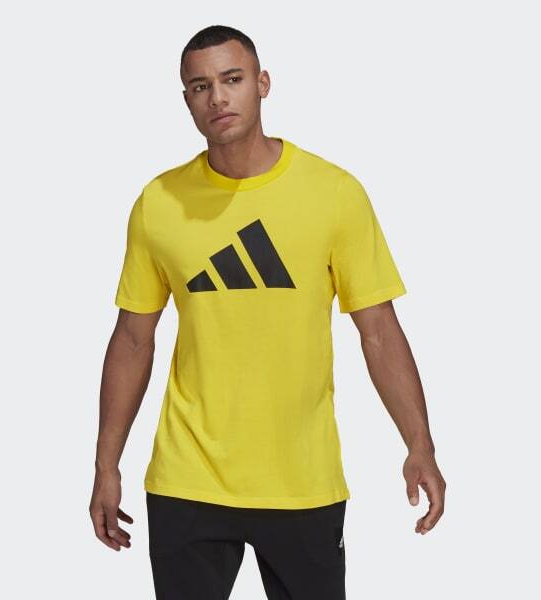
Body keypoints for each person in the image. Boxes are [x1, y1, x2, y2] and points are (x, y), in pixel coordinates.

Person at [89, 24, 446, 599]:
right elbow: (133, 339)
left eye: (232, 79)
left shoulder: (333, 193)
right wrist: (106, 465)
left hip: (302, 481)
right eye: (200, 87)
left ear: (263, 83)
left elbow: (379, 332)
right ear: (187, 101)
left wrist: (419, 444)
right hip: (188, 479)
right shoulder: (159, 203)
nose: (218, 98)